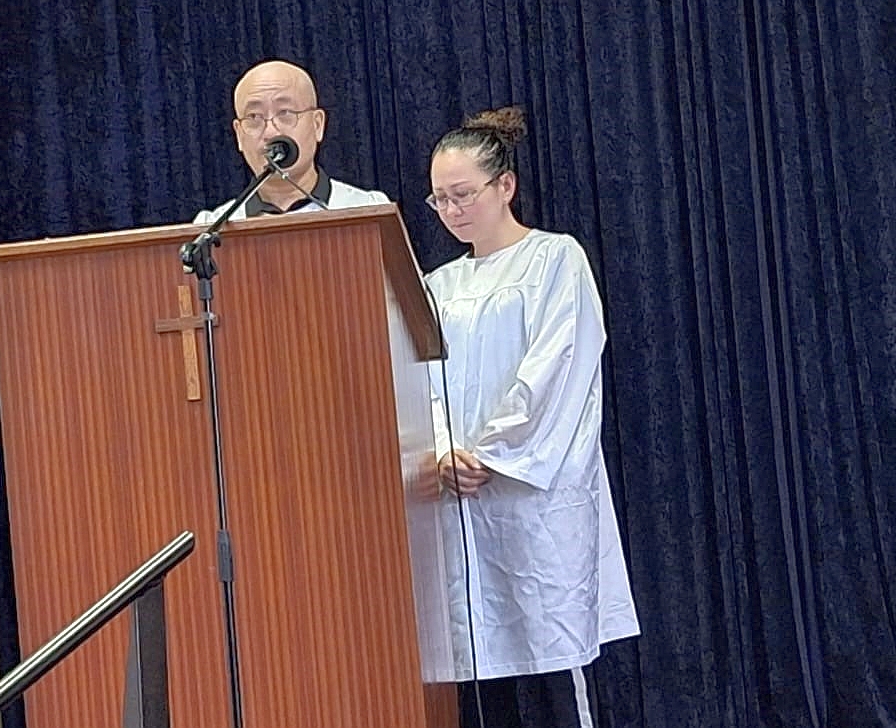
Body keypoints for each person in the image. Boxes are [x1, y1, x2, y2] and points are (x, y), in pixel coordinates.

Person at [423, 106, 640, 728]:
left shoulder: (554, 260)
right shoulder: (436, 285)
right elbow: (418, 380)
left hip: (531, 497)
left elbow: (557, 367)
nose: (452, 211)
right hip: (459, 498)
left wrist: (491, 453)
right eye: (440, 199)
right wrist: (442, 450)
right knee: (477, 662)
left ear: (505, 186)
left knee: (548, 658)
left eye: (463, 194)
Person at [194, 60, 389, 224]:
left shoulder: (369, 211)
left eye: (285, 113)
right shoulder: (212, 228)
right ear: (238, 134)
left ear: (317, 125)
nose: (270, 132)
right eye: (254, 116)